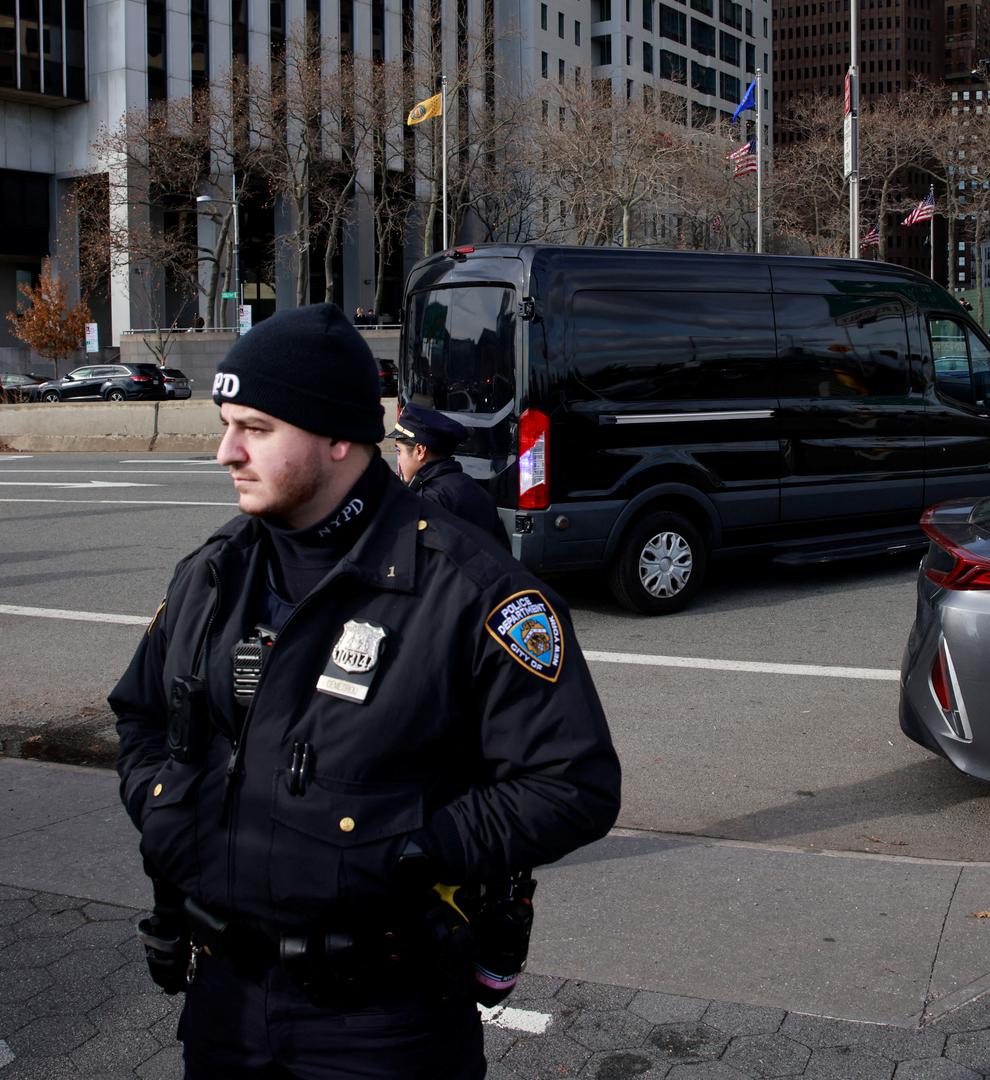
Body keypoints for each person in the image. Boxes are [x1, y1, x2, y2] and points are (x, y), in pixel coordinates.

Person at [110, 303, 620, 1080]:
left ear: (336, 436)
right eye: (226, 424)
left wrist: (410, 849)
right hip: (226, 995)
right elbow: (140, 713)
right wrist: (166, 811)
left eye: (254, 428)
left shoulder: (470, 590)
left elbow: (572, 784)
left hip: (383, 1019)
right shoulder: (212, 575)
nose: (225, 452)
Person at [390, 402, 507, 547]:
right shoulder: (473, 488)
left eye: (399, 451)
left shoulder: (428, 501)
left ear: (420, 451)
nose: (399, 461)